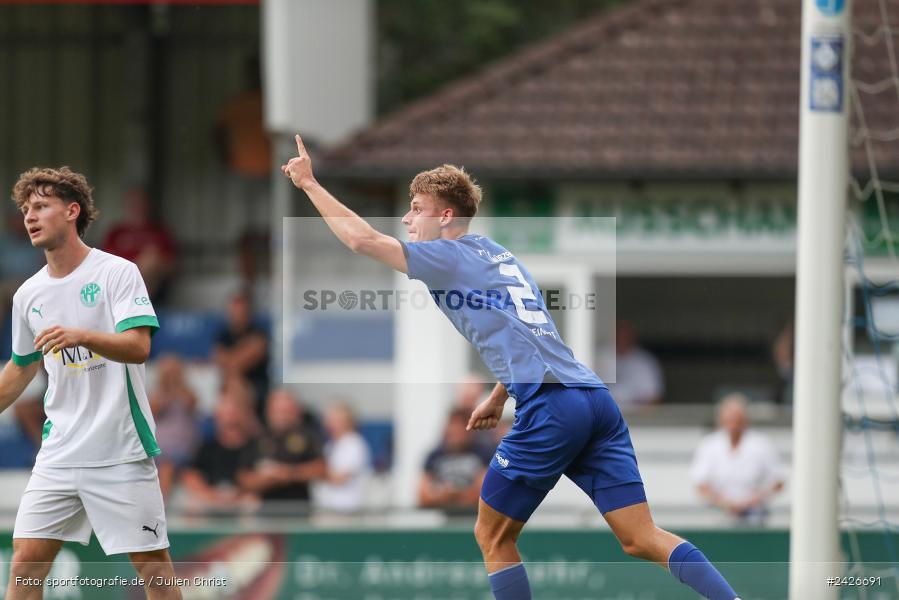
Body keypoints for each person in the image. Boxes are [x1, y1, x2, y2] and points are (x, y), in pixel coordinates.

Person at [282, 135, 742, 600]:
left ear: (446, 217)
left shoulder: (447, 254)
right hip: (593, 399)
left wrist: (309, 183)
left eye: (416, 207)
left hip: (552, 406)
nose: (406, 218)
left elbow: (361, 239)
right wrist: (499, 394)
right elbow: (530, 333)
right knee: (640, 536)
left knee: (492, 536)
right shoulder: (498, 254)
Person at [0, 167, 181, 599]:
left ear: (72, 211)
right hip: (59, 452)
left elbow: (138, 347)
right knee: (26, 561)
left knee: (152, 567)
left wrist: (81, 335)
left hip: (120, 451)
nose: (30, 216)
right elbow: (21, 367)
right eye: (26, 209)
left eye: (41, 206)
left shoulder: (117, 273)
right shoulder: (28, 294)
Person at [690, 393, 785, 525]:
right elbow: (700, 484)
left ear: (745, 421)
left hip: (756, 516)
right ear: (721, 421)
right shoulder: (709, 444)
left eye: (737, 420)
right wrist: (723, 503)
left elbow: (778, 482)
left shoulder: (761, 443)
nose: (733, 425)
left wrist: (755, 500)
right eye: (729, 420)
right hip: (718, 516)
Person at [236, 388, 325, 514]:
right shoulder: (257, 438)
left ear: (296, 411)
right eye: (277, 411)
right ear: (268, 411)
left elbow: (322, 469)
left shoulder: (308, 436)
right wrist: (267, 479)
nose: (282, 416)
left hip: (299, 511)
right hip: (266, 512)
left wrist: (289, 473)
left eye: (286, 411)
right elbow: (243, 478)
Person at [180, 388, 259, 513]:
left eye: (233, 413)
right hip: (212, 499)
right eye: (224, 414)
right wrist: (212, 495)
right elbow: (191, 475)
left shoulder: (255, 446)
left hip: (241, 500)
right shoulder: (207, 447)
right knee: (192, 505)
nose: (229, 420)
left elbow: (258, 478)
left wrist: (239, 495)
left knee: (252, 503)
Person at [101, 188, 176, 304]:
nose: (137, 206)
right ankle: (133, 300)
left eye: (141, 202)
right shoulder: (117, 232)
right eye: (133, 203)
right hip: (119, 281)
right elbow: (105, 263)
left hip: (151, 287)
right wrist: (135, 265)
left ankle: (135, 301)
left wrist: (151, 262)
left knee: (151, 257)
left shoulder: (158, 232)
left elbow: (171, 266)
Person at [418, 409, 490, 514]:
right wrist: (445, 495)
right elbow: (422, 496)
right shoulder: (434, 456)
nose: (455, 432)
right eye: (452, 426)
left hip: (474, 518)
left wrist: (452, 495)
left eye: (459, 428)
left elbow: (484, 493)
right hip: (445, 522)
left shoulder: (483, 453)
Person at [149, 355, 200, 500]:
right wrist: (166, 389)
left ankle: (161, 503)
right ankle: (159, 503)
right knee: (165, 467)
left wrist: (177, 386)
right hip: (160, 452)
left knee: (170, 468)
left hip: (182, 451)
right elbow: (155, 409)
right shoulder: (155, 395)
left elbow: (192, 403)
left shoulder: (187, 394)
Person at [213, 291, 270, 419]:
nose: (238, 314)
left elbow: (235, 364)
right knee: (233, 385)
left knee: (234, 385)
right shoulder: (222, 335)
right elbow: (221, 360)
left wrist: (231, 361)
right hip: (230, 385)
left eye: (241, 310)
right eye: (234, 310)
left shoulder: (259, 333)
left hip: (257, 387)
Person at [315, 402, 371, 513]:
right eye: (328, 419)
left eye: (335, 420)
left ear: (349, 422)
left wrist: (310, 471)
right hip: (328, 509)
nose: (329, 424)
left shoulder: (354, 444)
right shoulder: (330, 445)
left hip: (346, 511)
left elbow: (339, 478)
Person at [600, 320, 664, 410]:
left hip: (635, 418)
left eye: (625, 336)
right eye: (618, 335)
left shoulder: (645, 362)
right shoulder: (601, 357)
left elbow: (653, 398)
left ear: (632, 337)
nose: (621, 339)